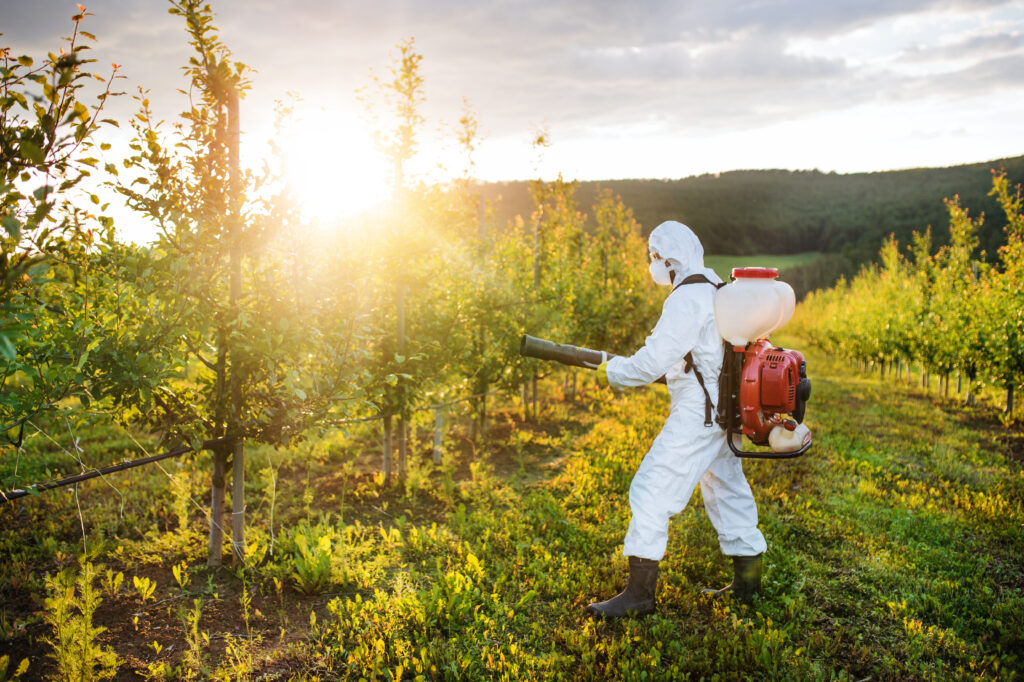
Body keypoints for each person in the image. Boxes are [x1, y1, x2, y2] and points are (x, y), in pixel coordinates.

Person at [586, 220, 767, 620]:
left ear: (669, 260)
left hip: (699, 413)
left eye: (654, 258)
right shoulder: (717, 287)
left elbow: (654, 359)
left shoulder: (687, 298)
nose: (652, 265)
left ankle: (639, 595)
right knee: (727, 488)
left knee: (652, 489)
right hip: (726, 411)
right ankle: (747, 585)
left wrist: (613, 372)